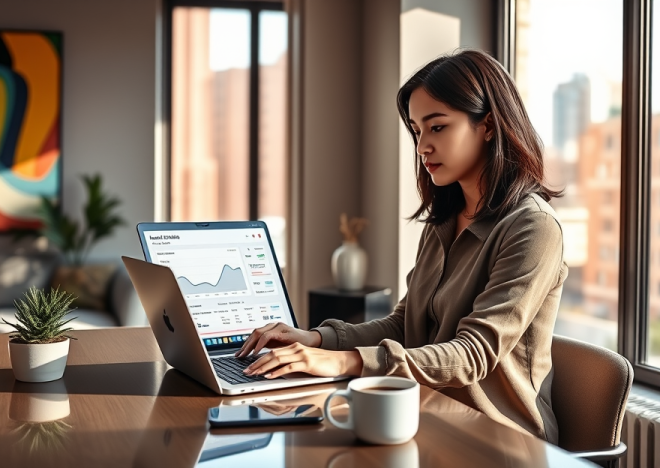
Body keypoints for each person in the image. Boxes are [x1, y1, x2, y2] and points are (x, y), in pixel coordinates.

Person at [235, 49, 567, 443]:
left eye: (437, 127)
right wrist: (316, 339)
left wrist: (341, 361)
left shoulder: (533, 228)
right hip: (427, 415)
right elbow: (405, 324)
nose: (421, 145)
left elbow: (472, 355)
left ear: (489, 126)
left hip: (500, 438)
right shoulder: (445, 221)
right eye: (416, 130)